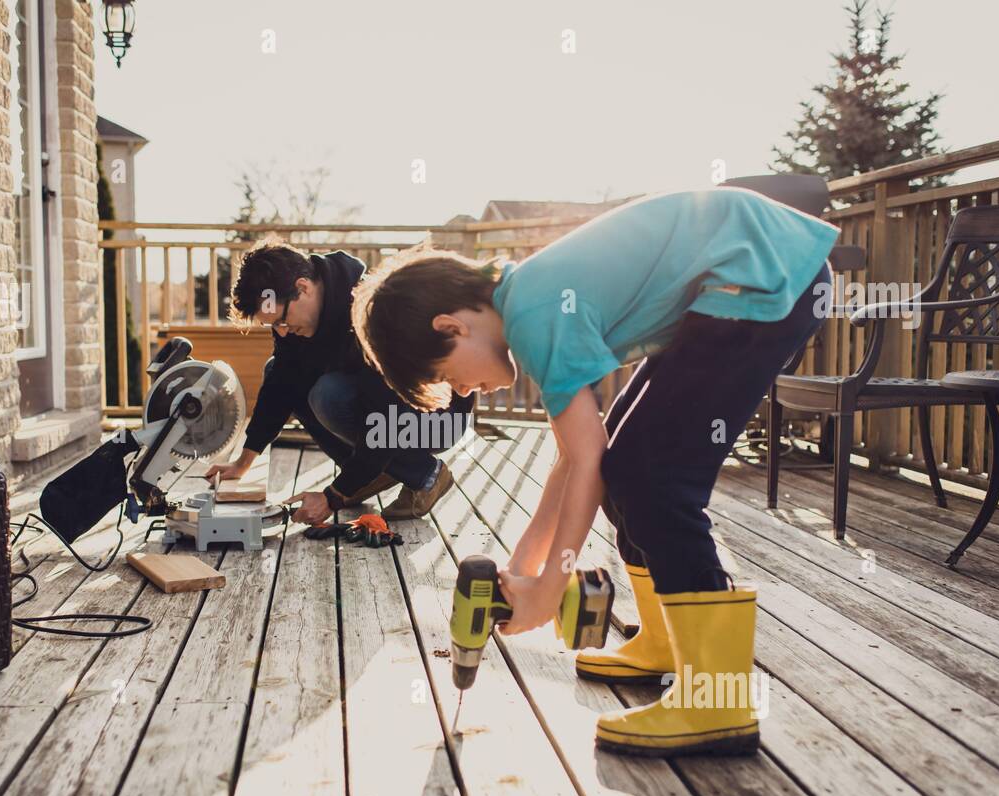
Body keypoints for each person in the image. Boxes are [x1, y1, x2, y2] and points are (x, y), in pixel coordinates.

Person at [350, 189, 837, 757]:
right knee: (627, 464)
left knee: (658, 481)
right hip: (744, 281)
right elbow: (579, 457)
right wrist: (523, 571)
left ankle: (718, 699)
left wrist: (549, 588)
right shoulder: (527, 302)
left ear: (451, 327)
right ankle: (661, 643)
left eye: (447, 376)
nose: (461, 390)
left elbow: (582, 462)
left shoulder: (533, 315)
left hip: (763, 278)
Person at [205, 239, 471, 523]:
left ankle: (427, 475)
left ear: (303, 287)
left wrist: (334, 497)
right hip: (388, 415)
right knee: (281, 371)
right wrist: (243, 463)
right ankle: (372, 474)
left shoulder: (371, 313)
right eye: (272, 326)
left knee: (327, 395)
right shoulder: (292, 324)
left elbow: (384, 415)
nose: (281, 332)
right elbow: (280, 385)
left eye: (281, 321)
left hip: (438, 419)